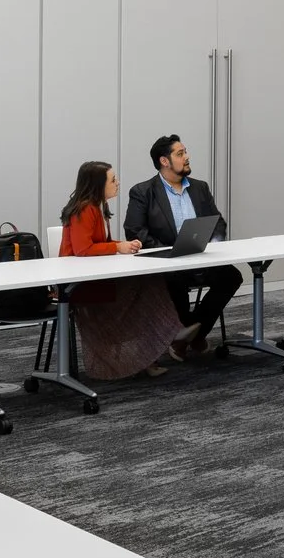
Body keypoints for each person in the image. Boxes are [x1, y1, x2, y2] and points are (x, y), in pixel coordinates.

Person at [63, 161, 186, 378]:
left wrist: (123, 245)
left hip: (97, 277)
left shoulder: (99, 207)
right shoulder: (84, 209)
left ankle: (164, 339)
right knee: (146, 289)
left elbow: (100, 244)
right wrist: (118, 247)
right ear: (97, 185)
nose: (117, 183)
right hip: (78, 286)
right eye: (112, 180)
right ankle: (169, 335)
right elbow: (83, 249)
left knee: (150, 282)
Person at [123, 134, 240, 352]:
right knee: (173, 279)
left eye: (185, 152)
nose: (187, 157)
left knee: (231, 276)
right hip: (166, 262)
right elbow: (134, 229)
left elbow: (218, 223)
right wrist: (167, 252)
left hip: (199, 257)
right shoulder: (143, 192)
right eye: (180, 153)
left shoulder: (200, 188)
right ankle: (188, 334)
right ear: (164, 161)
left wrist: (212, 243)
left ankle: (191, 333)